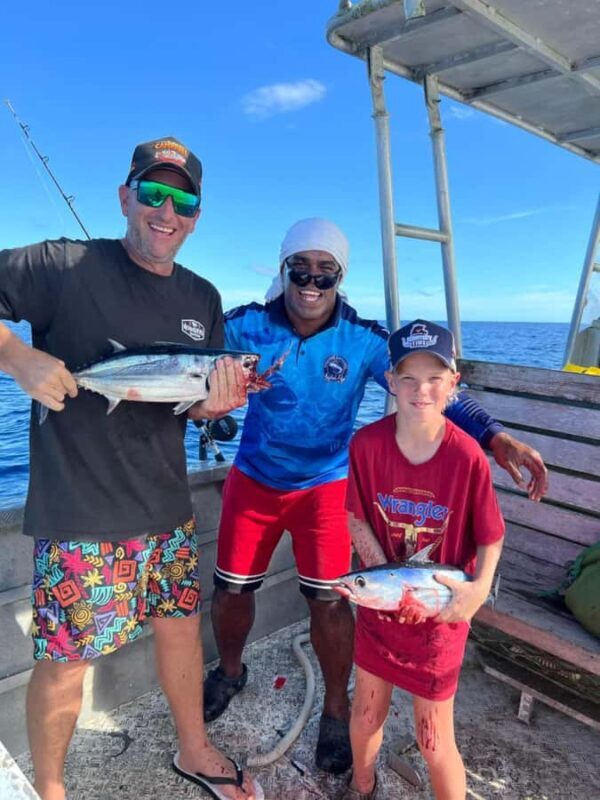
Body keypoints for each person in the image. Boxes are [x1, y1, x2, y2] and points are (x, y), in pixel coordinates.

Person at [205, 218, 546, 774]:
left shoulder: (364, 339)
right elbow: (191, 362)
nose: (311, 281)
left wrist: (494, 436)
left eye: (326, 272)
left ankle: (336, 709)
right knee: (230, 592)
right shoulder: (243, 324)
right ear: (284, 268)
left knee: (332, 600)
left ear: (340, 278)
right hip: (255, 479)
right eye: (300, 268)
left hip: (325, 488)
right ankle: (230, 670)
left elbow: (426, 385)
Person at [0, 137, 262, 800]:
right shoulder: (63, 263)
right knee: (66, 663)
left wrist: (216, 402)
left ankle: (194, 749)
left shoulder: (203, 297)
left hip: (168, 511)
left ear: (197, 215)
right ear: (126, 197)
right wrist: (19, 359)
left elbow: (191, 406)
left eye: (184, 198)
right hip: (82, 515)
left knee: (180, 630)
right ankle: (52, 790)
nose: (166, 209)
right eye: (153, 192)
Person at [340, 320, 505, 800]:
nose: (420, 390)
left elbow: (491, 538)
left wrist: (475, 595)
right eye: (407, 378)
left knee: (433, 741)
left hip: (439, 625)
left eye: (434, 377)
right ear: (389, 382)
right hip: (380, 617)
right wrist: (381, 585)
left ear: (454, 383)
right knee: (366, 714)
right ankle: (361, 786)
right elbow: (355, 518)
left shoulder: (468, 457)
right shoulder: (365, 446)